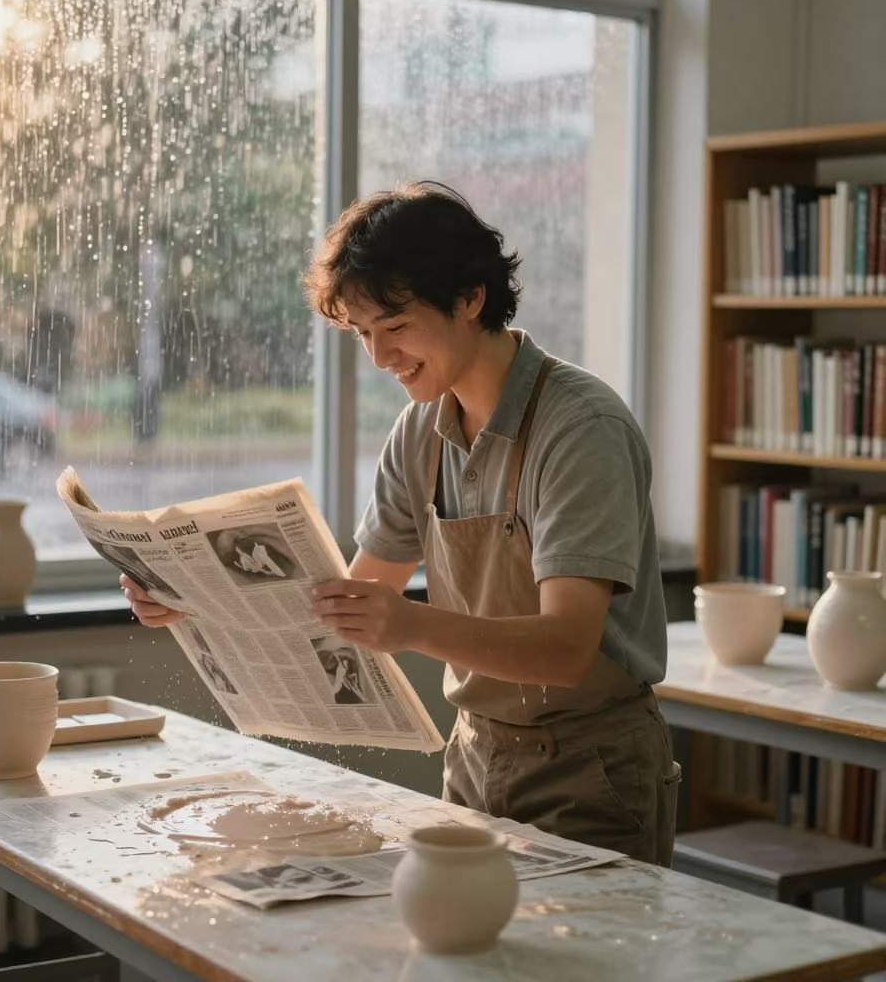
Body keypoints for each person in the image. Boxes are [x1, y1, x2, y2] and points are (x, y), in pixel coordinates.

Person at [121, 181, 678, 866]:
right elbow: (344, 608)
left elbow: (566, 649)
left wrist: (409, 624)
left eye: (396, 327)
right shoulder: (421, 431)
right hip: (473, 758)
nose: (380, 359)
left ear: (471, 298)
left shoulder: (580, 428)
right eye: (362, 335)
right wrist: (191, 599)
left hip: (591, 771)